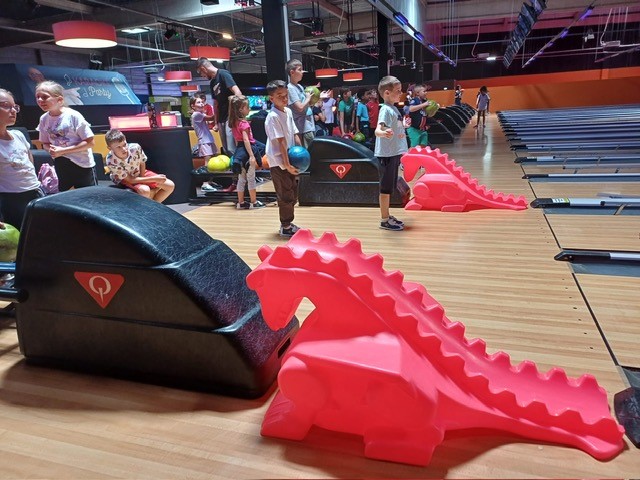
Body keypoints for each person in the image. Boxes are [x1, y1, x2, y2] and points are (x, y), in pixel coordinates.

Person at [35, 80, 97, 191]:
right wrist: (51, 150)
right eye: (38, 97)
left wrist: (63, 150)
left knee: (88, 196)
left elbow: (90, 142)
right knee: (66, 195)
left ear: (59, 100)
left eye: (44, 97)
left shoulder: (73, 116)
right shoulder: (43, 119)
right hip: (61, 162)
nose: (40, 100)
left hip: (82, 164)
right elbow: (45, 143)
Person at [196, 57, 242, 191]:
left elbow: (238, 93)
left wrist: (235, 114)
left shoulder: (223, 74)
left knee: (232, 149)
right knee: (227, 150)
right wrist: (216, 122)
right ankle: (235, 181)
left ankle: (240, 181)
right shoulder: (212, 82)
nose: (202, 76)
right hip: (221, 119)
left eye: (201, 73)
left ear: (203, 68)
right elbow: (215, 103)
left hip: (230, 118)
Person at [0, 88, 43, 229]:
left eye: (15, 107)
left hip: (36, 191)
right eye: (6, 106)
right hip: (12, 199)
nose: (13, 111)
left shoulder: (18, 134)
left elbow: (29, 160)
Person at [264, 80, 301, 237]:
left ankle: (288, 223)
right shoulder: (273, 117)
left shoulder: (288, 112)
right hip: (278, 162)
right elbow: (281, 142)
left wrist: (301, 153)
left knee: (293, 194)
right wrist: (286, 164)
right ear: (271, 98)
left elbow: (294, 133)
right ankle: (285, 226)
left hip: (290, 158)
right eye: (280, 96)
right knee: (285, 195)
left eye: (286, 95)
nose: (284, 99)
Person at [374, 76, 409, 231]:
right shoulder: (385, 110)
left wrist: (403, 126)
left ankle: (387, 216)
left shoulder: (393, 109)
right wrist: (382, 133)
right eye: (398, 91)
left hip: (393, 153)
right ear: (387, 93)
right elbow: (378, 130)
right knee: (385, 189)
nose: (401, 93)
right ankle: (384, 220)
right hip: (386, 155)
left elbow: (395, 127)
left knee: (390, 187)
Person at [104, 129, 175, 203]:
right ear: (110, 148)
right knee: (145, 190)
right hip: (125, 178)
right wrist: (154, 179)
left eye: (124, 144)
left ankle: (153, 206)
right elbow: (130, 180)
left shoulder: (135, 148)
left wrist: (143, 178)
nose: (124, 149)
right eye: (118, 147)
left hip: (138, 172)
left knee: (170, 185)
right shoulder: (111, 160)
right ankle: (150, 204)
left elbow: (142, 162)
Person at [228, 95, 266, 210]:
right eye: (247, 107)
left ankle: (241, 202)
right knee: (251, 179)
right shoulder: (244, 124)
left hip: (239, 152)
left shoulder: (234, 122)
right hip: (247, 152)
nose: (249, 109)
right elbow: (246, 140)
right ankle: (254, 202)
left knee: (241, 179)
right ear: (240, 109)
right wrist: (251, 156)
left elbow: (238, 141)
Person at [190, 95, 218, 191]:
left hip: (208, 140)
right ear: (193, 106)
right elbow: (211, 118)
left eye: (202, 102)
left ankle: (209, 182)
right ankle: (205, 184)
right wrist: (217, 107)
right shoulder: (196, 115)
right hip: (204, 141)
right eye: (198, 102)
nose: (201, 104)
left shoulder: (200, 114)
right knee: (208, 163)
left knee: (212, 162)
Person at [286, 59, 315, 149]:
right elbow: (300, 107)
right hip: (302, 128)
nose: (302, 72)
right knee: (308, 152)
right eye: (300, 70)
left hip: (308, 125)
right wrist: (308, 98)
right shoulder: (290, 88)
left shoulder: (299, 86)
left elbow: (306, 104)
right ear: (292, 72)